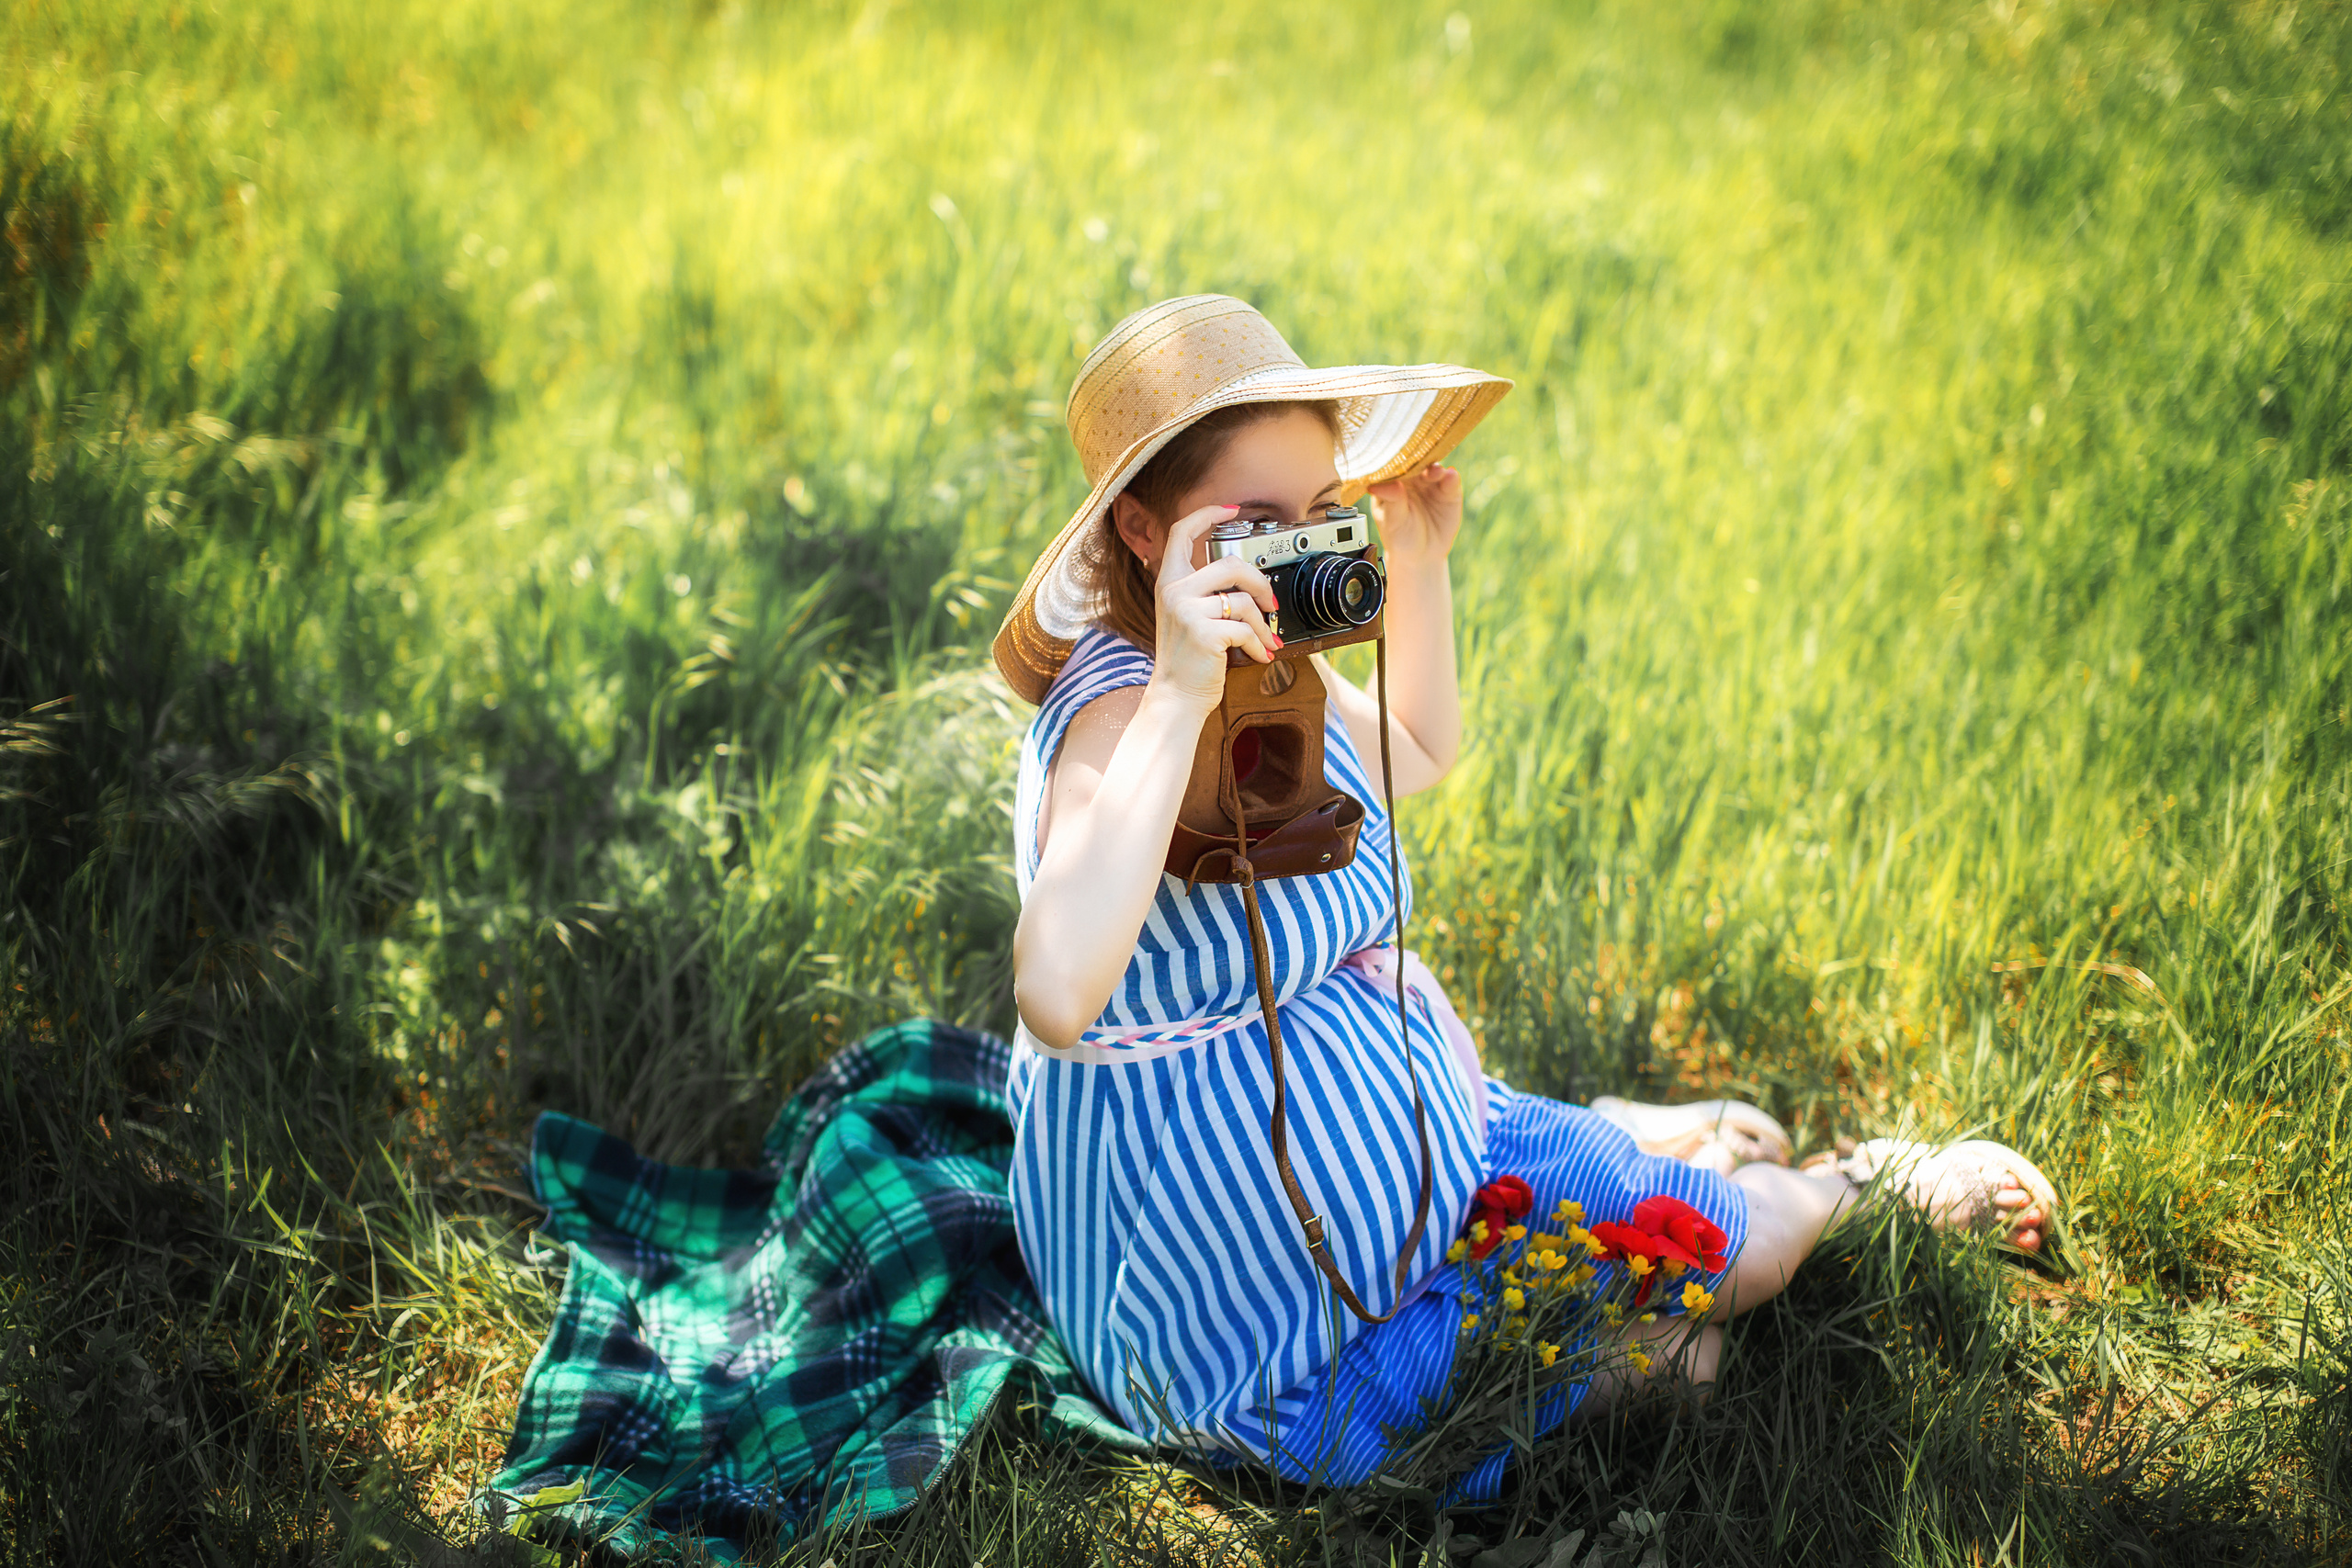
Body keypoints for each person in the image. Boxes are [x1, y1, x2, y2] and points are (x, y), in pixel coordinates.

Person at [990, 295, 2057, 1492]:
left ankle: (1849, 1189)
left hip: (1414, 1163)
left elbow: (1413, 750)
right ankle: (1702, 1158)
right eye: (1255, 526)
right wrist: (1183, 689)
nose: (1294, 556)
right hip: (1246, 1336)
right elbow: (1056, 995)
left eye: (1320, 513)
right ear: (1142, 530)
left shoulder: (1271, 661)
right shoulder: (1120, 713)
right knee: (1685, 1366)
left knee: (1730, 1277)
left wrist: (1420, 561)